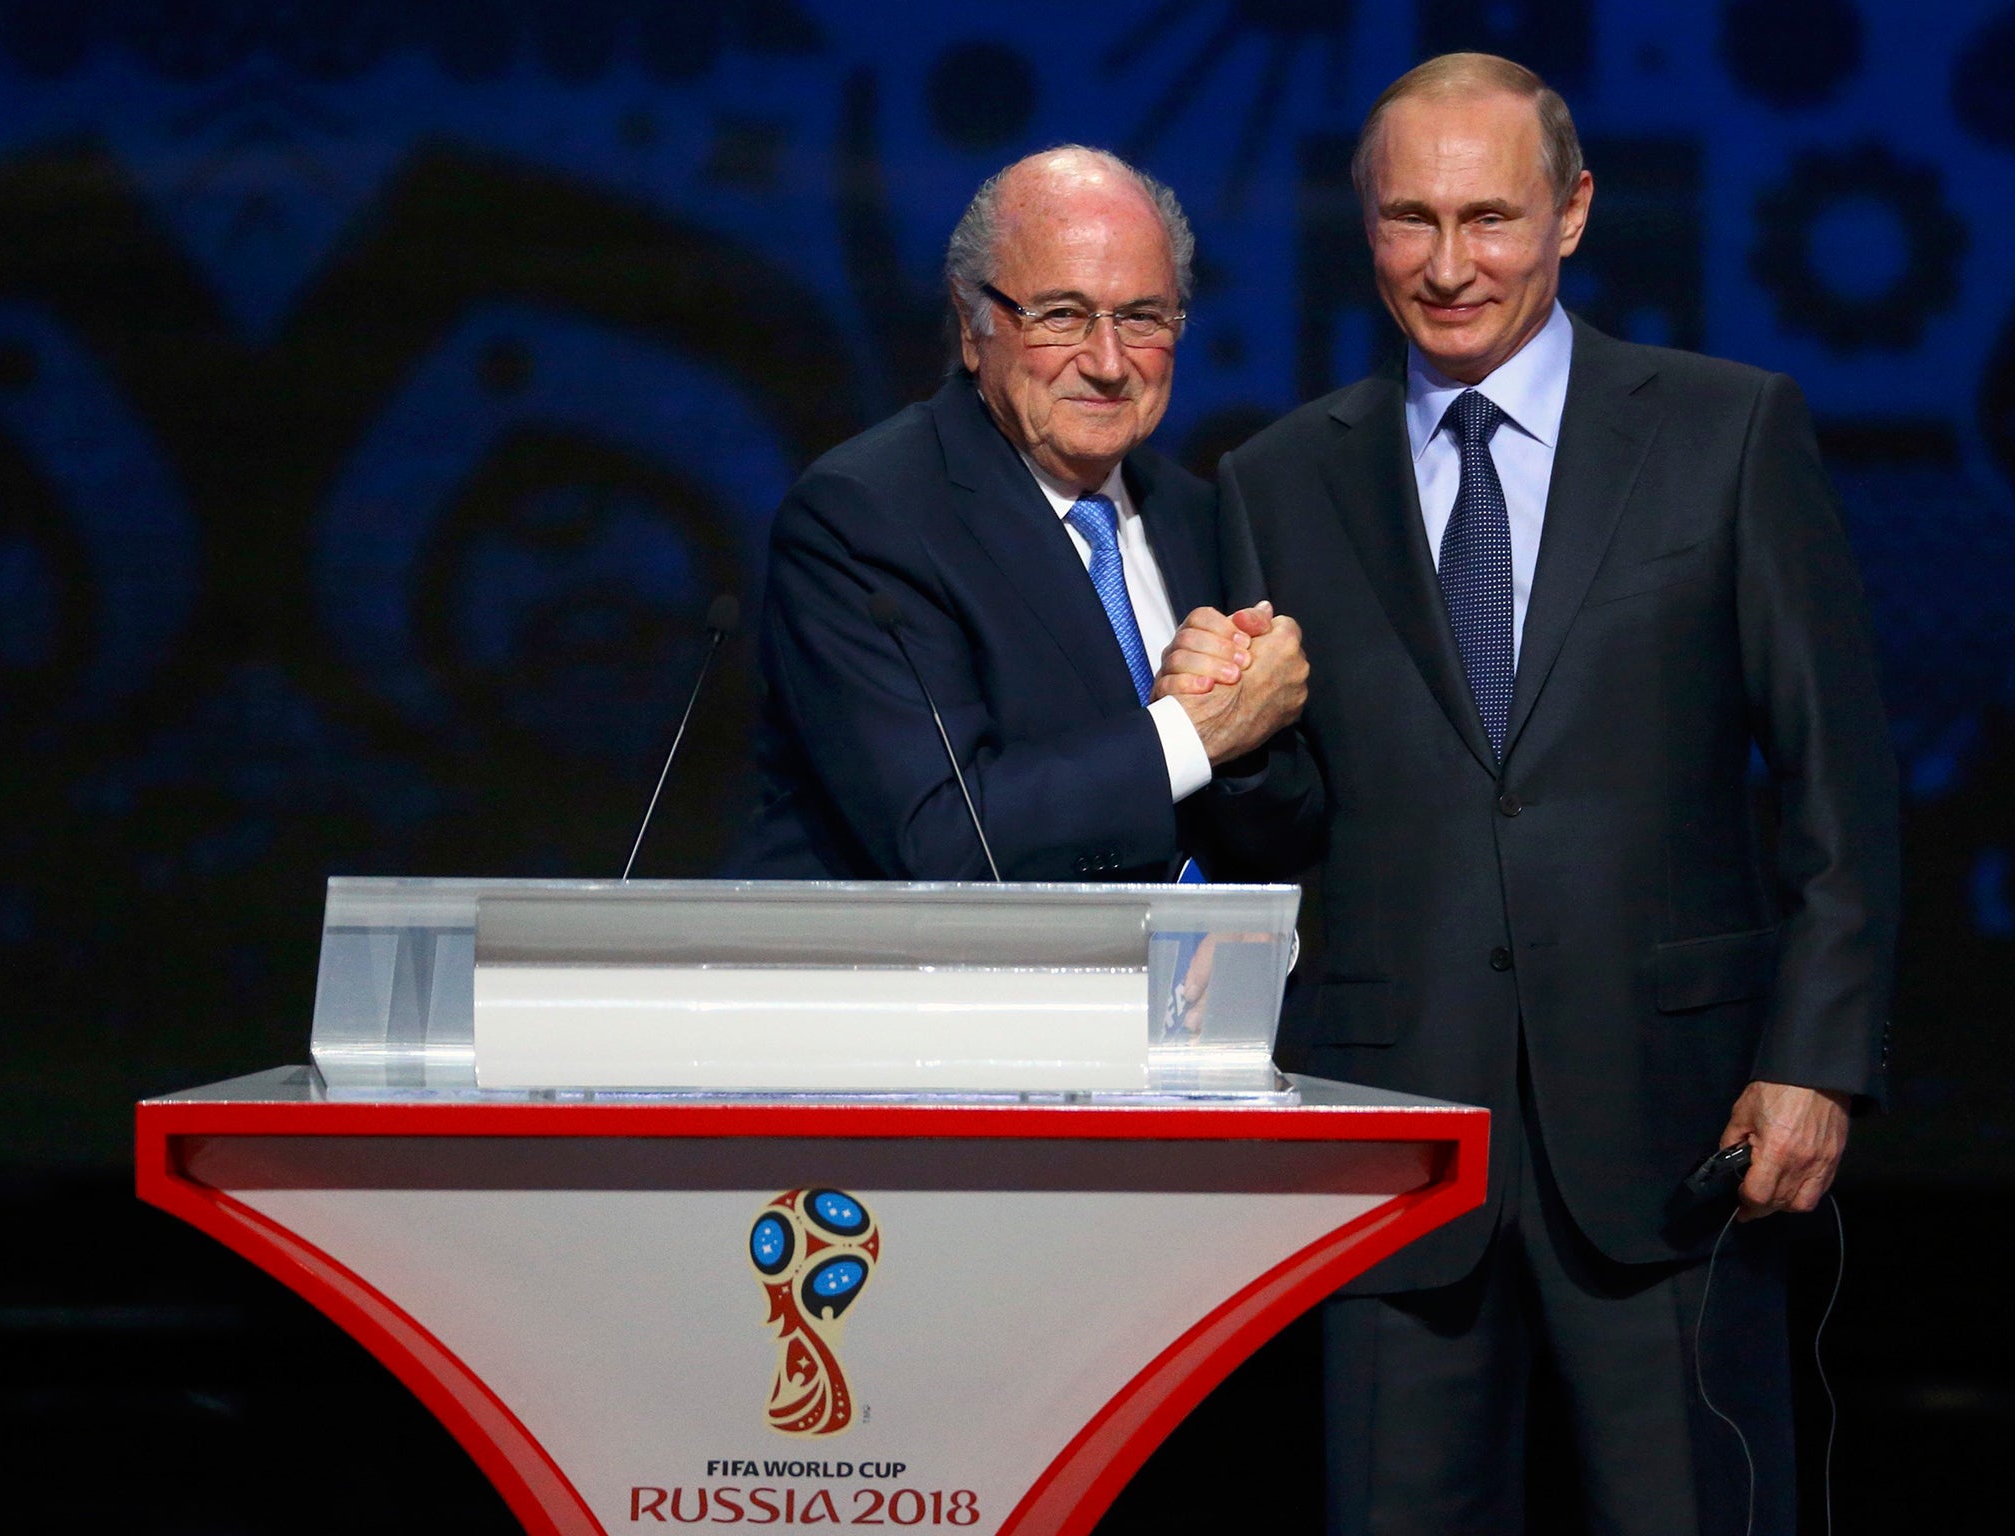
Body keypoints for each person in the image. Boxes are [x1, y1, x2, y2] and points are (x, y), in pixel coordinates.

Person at [1160, 53, 1899, 1534]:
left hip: (1682, 1133)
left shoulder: (1725, 430)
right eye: (1409, 221)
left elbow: (1842, 781)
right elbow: (1281, 832)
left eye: (1489, 217)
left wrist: (1818, 1059)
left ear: (1572, 212)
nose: (1448, 266)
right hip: (1396, 1127)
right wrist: (1222, 738)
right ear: (1362, 224)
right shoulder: (1279, 477)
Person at [731, 145, 1304, 880]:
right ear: (974, 328)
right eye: (1061, 315)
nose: (1106, 360)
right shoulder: (865, 518)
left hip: (1208, 989)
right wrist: (1193, 733)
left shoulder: (1201, 514)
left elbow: (1286, 834)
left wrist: (1255, 729)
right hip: (973, 989)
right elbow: (941, 837)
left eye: (1141, 317)